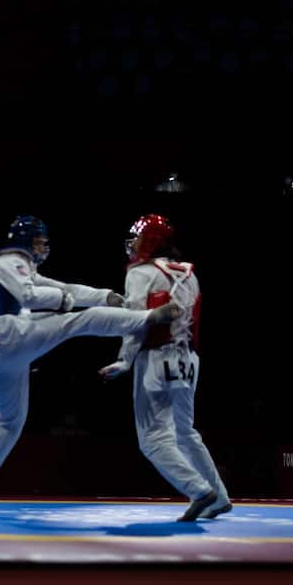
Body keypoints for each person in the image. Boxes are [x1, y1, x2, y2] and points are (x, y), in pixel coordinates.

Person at [0, 215, 182, 514]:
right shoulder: (11, 259)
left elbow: (65, 287)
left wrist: (105, 297)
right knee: (78, 321)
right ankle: (148, 319)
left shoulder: (17, 267)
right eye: (39, 242)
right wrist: (64, 301)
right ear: (25, 242)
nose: (43, 248)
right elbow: (31, 296)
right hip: (3, 336)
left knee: (11, 419)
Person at [97, 214, 231, 522]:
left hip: (154, 361)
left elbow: (134, 321)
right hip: (187, 360)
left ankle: (199, 490)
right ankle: (219, 495)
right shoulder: (189, 273)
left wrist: (124, 360)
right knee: (185, 432)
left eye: (137, 238)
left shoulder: (140, 273)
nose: (132, 244)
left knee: (153, 439)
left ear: (151, 241)